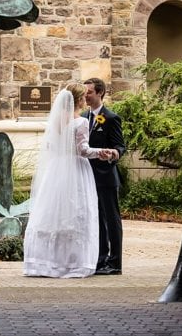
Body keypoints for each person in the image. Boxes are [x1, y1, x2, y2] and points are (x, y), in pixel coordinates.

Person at [23, 83, 117, 278]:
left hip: (56, 171)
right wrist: (102, 153)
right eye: (84, 96)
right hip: (76, 170)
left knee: (55, 214)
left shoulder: (55, 121)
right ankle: (73, 263)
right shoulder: (80, 122)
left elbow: (51, 147)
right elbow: (83, 150)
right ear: (79, 100)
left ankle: (47, 263)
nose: (86, 100)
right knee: (76, 213)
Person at [82, 77, 126, 275]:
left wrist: (113, 154)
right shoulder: (83, 118)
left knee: (112, 219)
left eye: (89, 92)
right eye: (85, 92)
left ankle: (115, 263)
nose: (86, 95)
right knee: (97, 220)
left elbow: (120, 146)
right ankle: (101, 259)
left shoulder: (111, 118)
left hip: (106, 176)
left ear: (100, 93)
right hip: (88, 177)